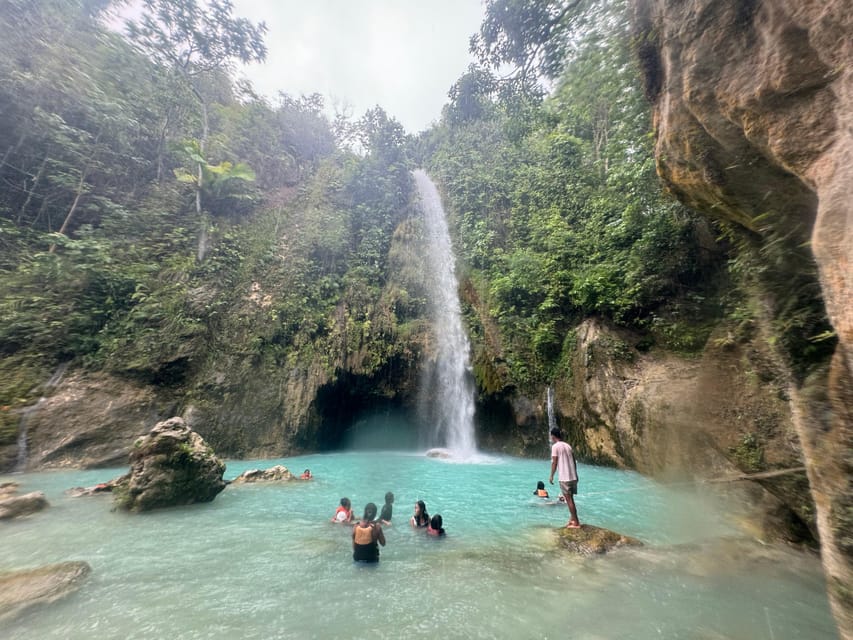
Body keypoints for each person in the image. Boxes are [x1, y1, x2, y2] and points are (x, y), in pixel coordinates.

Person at [548, 427, 581, 528]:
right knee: (571, 499)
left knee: (569, 500)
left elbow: (554, 462)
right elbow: (574, 462)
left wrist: (551, 475)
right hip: (573, 476)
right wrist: (576, 474)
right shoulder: (568, 446)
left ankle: (576, 522)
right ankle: (572, 519)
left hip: (564, 477)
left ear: (553, 436)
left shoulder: (555, 447)